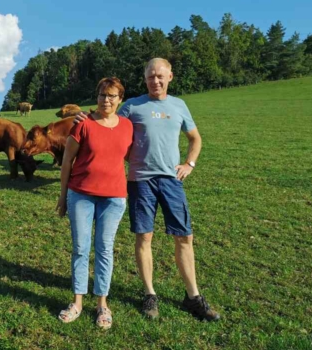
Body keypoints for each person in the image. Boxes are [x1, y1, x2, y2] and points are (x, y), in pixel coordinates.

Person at [75, 58, 220, 321]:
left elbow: (195, 138)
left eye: (160, 76)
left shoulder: (179, 105)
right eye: (151, 77)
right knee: (144, 237)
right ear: (145, 79)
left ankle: (193, 297)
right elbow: (106, 121)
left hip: (171, 180)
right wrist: (84, 117)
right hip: (140, 180)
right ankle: (150, 295)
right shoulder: (132, 106)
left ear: (170, 77)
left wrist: (190, 163)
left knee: (184, 237)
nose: (155, 81)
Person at [56, 77, 133, 330]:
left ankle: (102, 304)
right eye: (102, 95)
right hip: (81, 195)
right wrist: (62, 196)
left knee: (104, 249)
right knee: (80, 247)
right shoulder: (83, 124)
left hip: (114, 198)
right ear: (96, 97)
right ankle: (77, 302)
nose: (106, 100)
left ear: (120, 99)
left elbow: (133, 158)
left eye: (112, 96)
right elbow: (67, 161)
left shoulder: (127, 126)